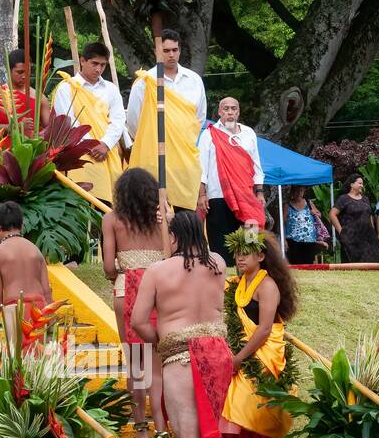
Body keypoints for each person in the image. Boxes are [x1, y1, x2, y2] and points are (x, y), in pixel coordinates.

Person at [131, 211, 232, 438]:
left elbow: (137, 321)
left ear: (173, 237)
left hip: (183, 358)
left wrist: (160, 340)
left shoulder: (159, 271)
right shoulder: (218, 263)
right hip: (218, 357)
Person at [219, 228, 297, 438]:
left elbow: (264, 330)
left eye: (246, 254)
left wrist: (239, 358)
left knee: (264, 417)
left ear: (261, 256)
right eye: (237, 254)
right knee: (245, 417)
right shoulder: (238, 284)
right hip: (244, 355)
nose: (240, 259)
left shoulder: (267, 286)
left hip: (264, 357)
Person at [101, 167, 167, 438]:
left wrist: (122, 271)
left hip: (125, 287)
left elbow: (106, 267)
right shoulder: (163, 219)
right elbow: (170, 255)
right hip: (159, 289)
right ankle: (164, 432)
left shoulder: (111, 219)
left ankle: (142, 432)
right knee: (158, 366)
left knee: (136, 365)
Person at [124, 29, 206, 211]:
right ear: (157, 52)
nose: (171, 55)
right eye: (166, 50)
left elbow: (198, 119)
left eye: (174, 50)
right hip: (153, 159)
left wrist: (179, 140)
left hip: (184, 161)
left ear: (180, 50)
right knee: (151, 217)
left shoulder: (194, 81)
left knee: (184, 218)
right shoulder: (145, 82)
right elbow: (133, 122)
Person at [51, 41, 126, 205]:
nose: (98, 69)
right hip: (78, 156)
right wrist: (90, 145)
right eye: (94, 63)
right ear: (82, 61)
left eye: (103, 65)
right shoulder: (66, 88)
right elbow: (68, 122)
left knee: (109, 205)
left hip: (108, 153)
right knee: (83, 204)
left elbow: (118, 120)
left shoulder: (111, 89)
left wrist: (105, 144)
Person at [196, 96, 265, 264]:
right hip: (218, 196)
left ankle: (250, 273)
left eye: (234, 109)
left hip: (246, 196)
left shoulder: (248, 133)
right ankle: (224, 278)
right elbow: (201, 167)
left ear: (238, 112)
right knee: (221, 242)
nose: (230, 112)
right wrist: (201, 194)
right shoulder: (209, 134)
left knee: (250, 235)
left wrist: (260, 191)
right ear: (219, 112)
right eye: (226, 109)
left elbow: (256, 165)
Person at [0, 201, 52, 341]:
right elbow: (47, 292)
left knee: (19, 360)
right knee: (39, 360)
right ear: (22, 224)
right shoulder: (36, 250)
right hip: (39, 309)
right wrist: (51, 325)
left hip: (15, 310)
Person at [330, 174, 379, 263]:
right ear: (352, 184)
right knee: (353, 263)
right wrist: (341, 231)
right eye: (359, 183)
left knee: (371, 262)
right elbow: (332, 214)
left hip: (367, 238)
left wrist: (372, 230)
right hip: (351, 237)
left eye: (362, 184)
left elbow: (369, 215)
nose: (362, 185)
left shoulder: (365, 199)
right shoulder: (344, 199)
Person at [281, 185, 323, 265]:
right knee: (295, 262)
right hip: (293, 240)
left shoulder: (308, 202)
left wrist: (315, 213)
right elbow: (282, 222)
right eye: (297, 191)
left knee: (309, 262)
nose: (299, 193)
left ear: (304, 191)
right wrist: (284, 239)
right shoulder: (287, 205)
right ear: (292, 192)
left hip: (309, 239)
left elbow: (319, 215)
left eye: (301, 191)